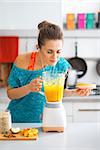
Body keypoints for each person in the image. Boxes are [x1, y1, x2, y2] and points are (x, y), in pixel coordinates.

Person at [7, 21, 91, 123]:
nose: (54, 57)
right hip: (18, 122)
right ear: (38, 47)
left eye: (58, 51)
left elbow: (57, 93)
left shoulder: (62, 66)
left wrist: (75, 92)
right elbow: (10, 94)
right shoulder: (22, 61)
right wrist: (28, 88)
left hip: (48, 121)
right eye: (49, 52)